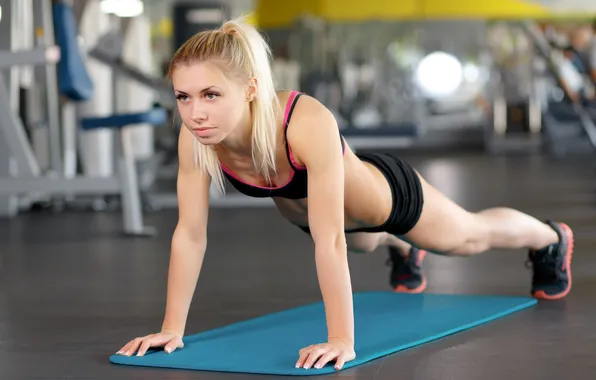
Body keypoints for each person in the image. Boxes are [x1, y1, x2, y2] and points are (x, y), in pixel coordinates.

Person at [115, 17, 574, 371]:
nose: (195, 112)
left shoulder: (304, 121)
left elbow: (328, 240)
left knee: (467, 238)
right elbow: (190, 234)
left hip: (388, 198)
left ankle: (549, 238)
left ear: (251, 89)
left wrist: (341, 339)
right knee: (365, 241)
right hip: (327, 219)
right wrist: (171, 329)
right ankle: (400, 249)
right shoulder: (195, 139)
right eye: (183, 97)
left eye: (211, 94)